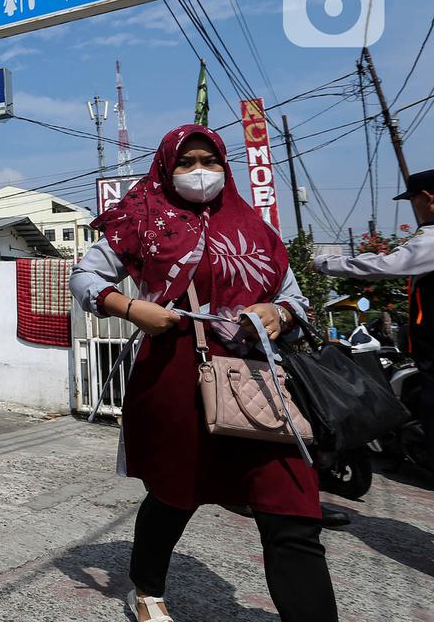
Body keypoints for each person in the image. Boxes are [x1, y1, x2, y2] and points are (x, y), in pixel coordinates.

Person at [69, 125, 338, 622]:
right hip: (177, 378)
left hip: (260, 383)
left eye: (209, 161)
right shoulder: (142, 221)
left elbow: (295, 298)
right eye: (186, 162)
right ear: (165, 169)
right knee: (175, 494)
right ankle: (147, 589)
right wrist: (131, 308)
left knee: (294, 510)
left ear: (225, 167)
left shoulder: (255, 228)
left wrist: (280, 313)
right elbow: (85, 276)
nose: (199, 172)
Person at [315, 167, 434, 467]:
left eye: (413, 200)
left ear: (427, 198)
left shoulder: (431, 239)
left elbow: (384, 266)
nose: (414, 208)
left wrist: (325, 263)